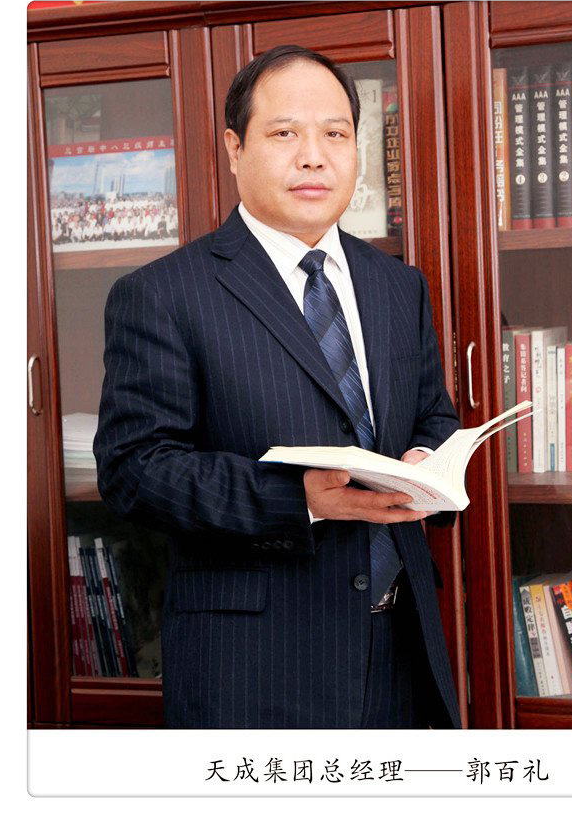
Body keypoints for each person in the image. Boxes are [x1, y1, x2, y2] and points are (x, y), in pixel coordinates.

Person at [93, 45, 462, 730]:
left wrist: (429, 464)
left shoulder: (397, 285)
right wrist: (299, 499)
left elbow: (431, 416)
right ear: (235, 149)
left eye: (335, 134)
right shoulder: (163, 295)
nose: (314, 157)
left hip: (402, 651)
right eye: (285, 132)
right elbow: (134, 470)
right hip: (258, 667)